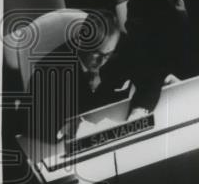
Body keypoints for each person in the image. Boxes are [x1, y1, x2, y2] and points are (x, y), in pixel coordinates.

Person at [24, 10, 141, 143]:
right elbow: (28, 123)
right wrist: (62, 128)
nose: (102, 61)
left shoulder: (116, 53)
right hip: (66, 148)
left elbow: (150, 74)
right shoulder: (48, 71)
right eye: (97, 53)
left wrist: (140, 108)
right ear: (81, 41)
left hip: (109, 139)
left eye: (108, 54)